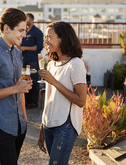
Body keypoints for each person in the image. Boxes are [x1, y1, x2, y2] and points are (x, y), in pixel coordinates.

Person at [0, 8, 33, 165]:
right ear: (6, 28)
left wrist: (24, 118)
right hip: (0, 126)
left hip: (19, 125)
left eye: (25, 30)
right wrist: (15, 88)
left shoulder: (16, 52)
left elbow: (20, 89)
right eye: (21, 30)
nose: (24, 35)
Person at [38, 21, 87, 165]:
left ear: (62, 38)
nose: (45, 40)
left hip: (65, 126)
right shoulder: (52, 64)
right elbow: (49, 98)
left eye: (49, 37)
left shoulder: (76, 64)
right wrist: (42, 126)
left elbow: (81, 100)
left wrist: (54, 82)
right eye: (45, 36)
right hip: (49, 124)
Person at [18, 13, 43, 109]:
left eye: (27, 19)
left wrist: (25, 48)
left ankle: (34, 102)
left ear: (31, 20)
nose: (25, 21)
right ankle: (26, 101)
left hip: (32, 60)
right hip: (23, 60)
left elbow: (39, 47)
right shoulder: (25, 31)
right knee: (25, 80)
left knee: (33, 81)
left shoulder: (37, 32)